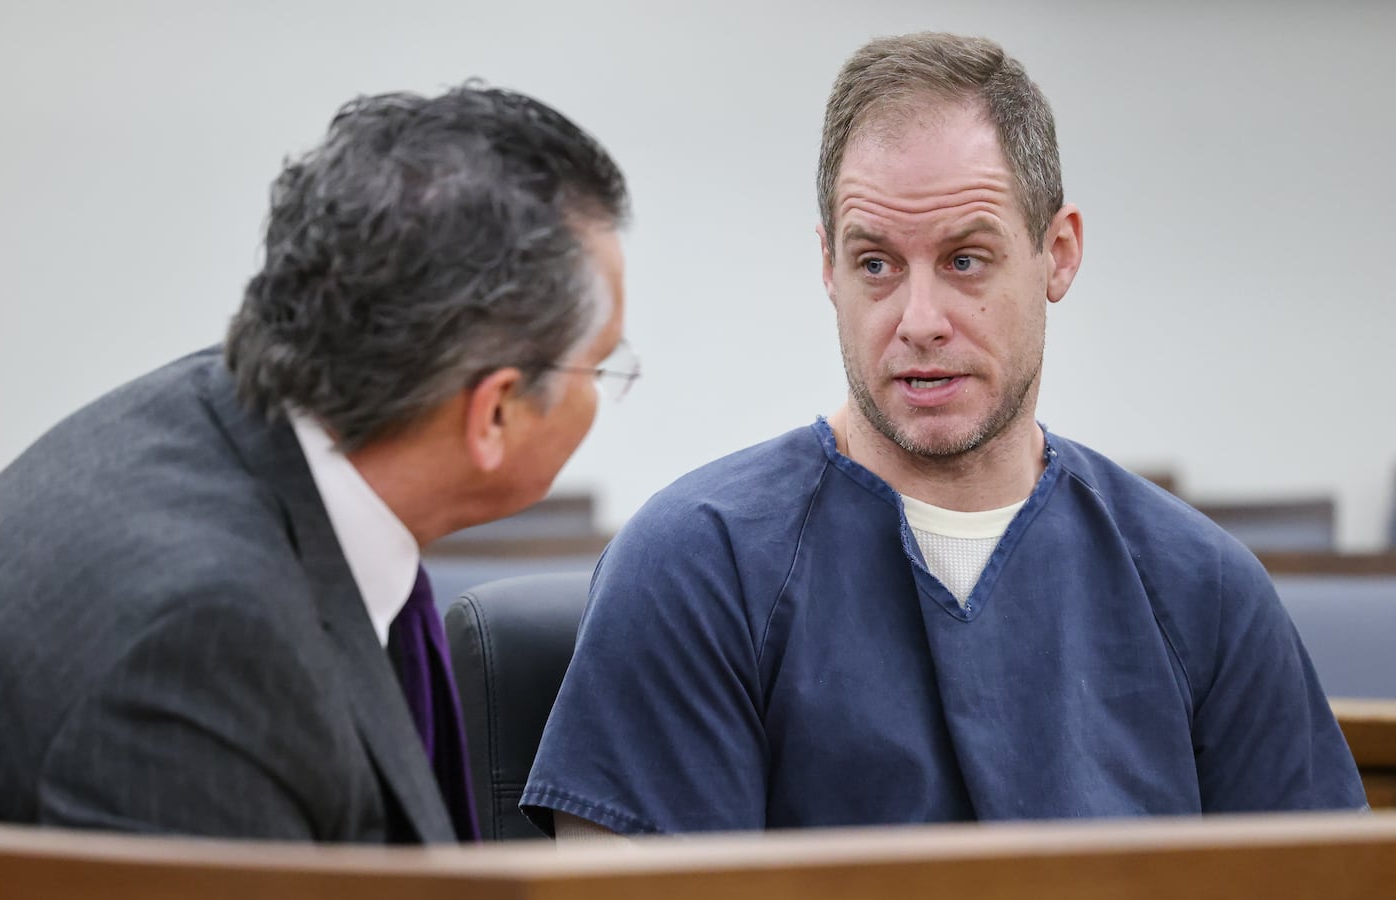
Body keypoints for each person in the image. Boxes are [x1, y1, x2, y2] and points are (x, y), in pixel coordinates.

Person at [523, 32, 1365, 838]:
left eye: (965, 260)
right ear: (828, 267)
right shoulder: (694, 566)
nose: (918, 321)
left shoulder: (1202, 588)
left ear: (1058, 253)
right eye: (876, 264)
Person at [0, 84, 634, 844]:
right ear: (493, 411)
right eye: (599, 366)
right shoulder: (207, 636)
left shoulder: (213, 411)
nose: (603, 391)